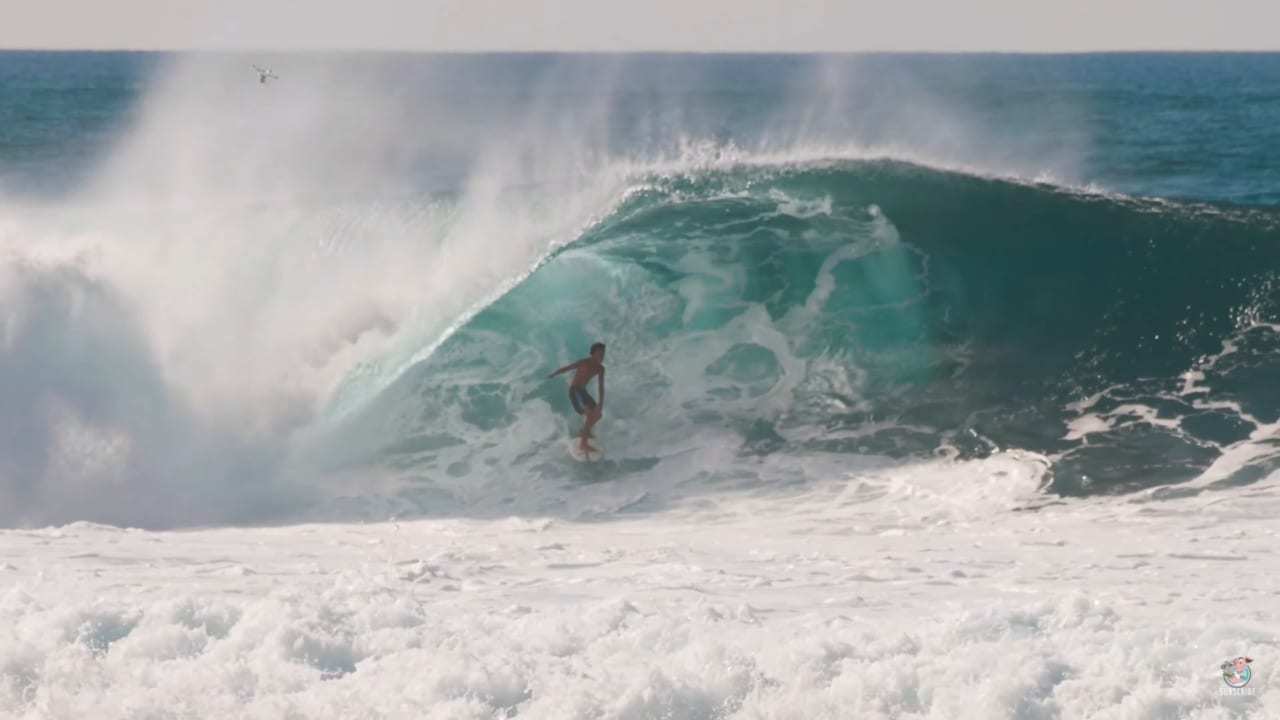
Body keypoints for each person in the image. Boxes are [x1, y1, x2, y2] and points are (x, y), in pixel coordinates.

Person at [548, 342, 606, 453]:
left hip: (583, 392)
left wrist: (600, 404)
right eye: (599, 354)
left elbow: (601, 387)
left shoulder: (600, 369)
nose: (601, 357)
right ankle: (583, 444)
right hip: (575, 391)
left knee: (598, 415)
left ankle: (584, 431)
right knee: (589, 413)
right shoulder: (584, 362)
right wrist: (554, 374)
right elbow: (567, 368)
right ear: (592, 354)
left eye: (603, 354)